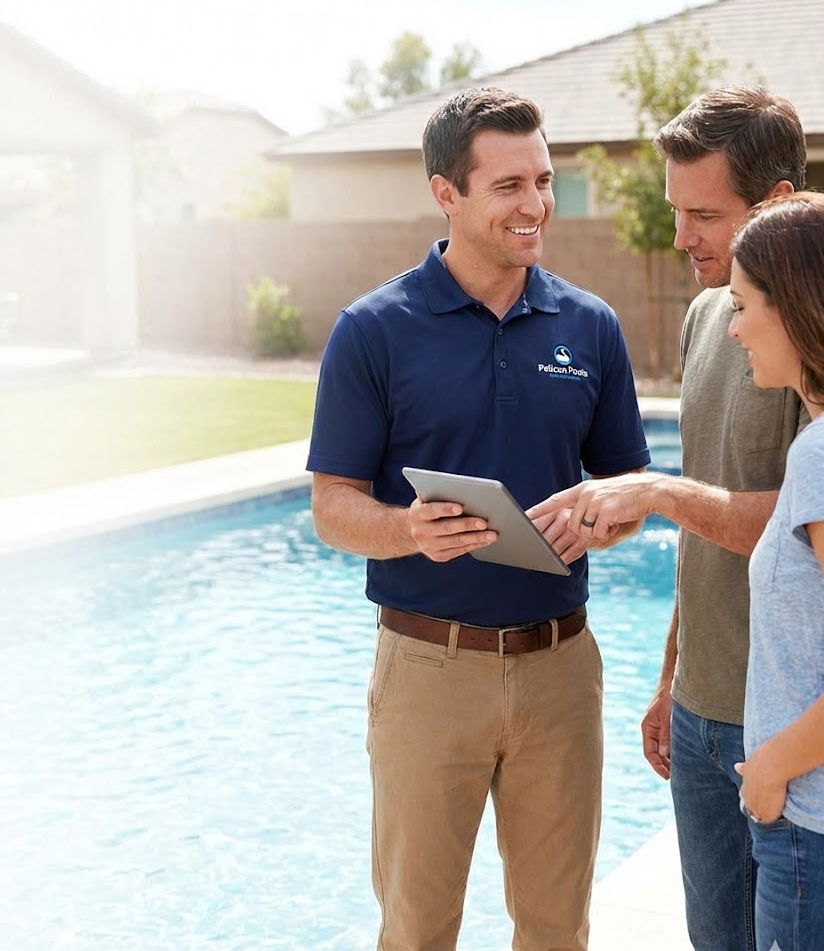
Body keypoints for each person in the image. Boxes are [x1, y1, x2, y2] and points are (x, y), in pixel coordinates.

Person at [306, 86, 650, 951]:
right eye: (508, 186)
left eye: (543, 180)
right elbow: (332, 507)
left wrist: (606, 518)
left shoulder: (590, 325)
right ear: (446, 193)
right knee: (418, 929)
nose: (536, 205)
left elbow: (630, 489)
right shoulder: (373, 330)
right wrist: (406, 530)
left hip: (562, 671)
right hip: (428, 671)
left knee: (557, 927)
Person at [527, 86, 808, 951]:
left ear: (779, 207)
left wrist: (653, 494)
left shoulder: (814, 340)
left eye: (703, 214)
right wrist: (670, 674)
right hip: (700, 708)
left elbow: (800, 524)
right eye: (673, 210)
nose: (681, 237)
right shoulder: (704, 314)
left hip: (790, 720)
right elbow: (711, 496)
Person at [727, 192, 824, 951]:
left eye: (743, 304)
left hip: (806, 823)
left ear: (794, 306)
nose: (732, 327)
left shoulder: (819, 455)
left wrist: (769, 772)